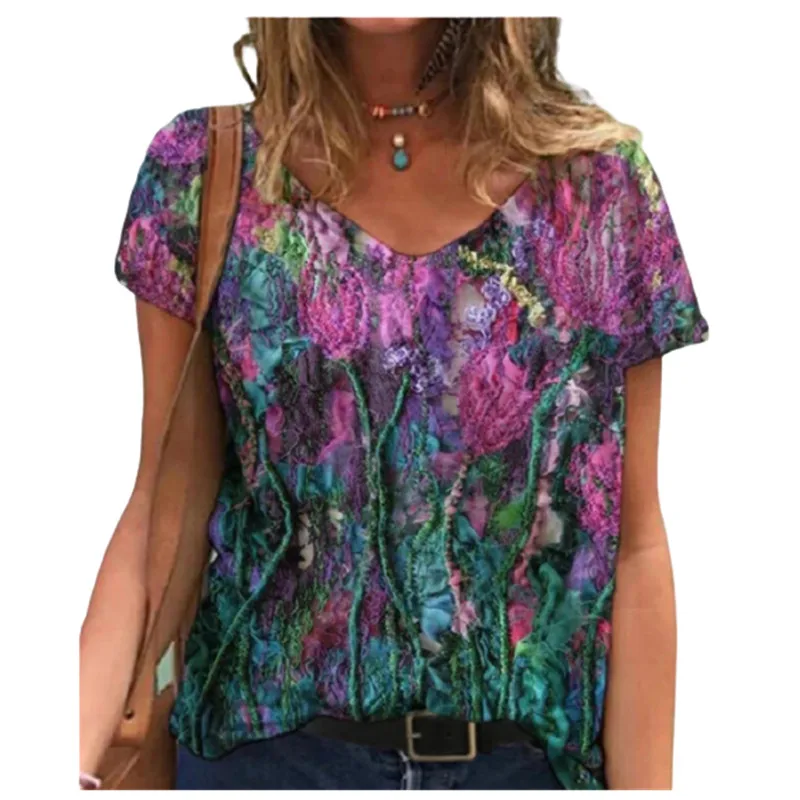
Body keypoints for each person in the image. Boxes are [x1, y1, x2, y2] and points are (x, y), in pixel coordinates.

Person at [79, 17, 709, 790]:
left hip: (520, 770)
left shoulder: (598, 191)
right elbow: (159, 510)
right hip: (267, 764)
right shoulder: (206, 173)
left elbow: (634, 546)